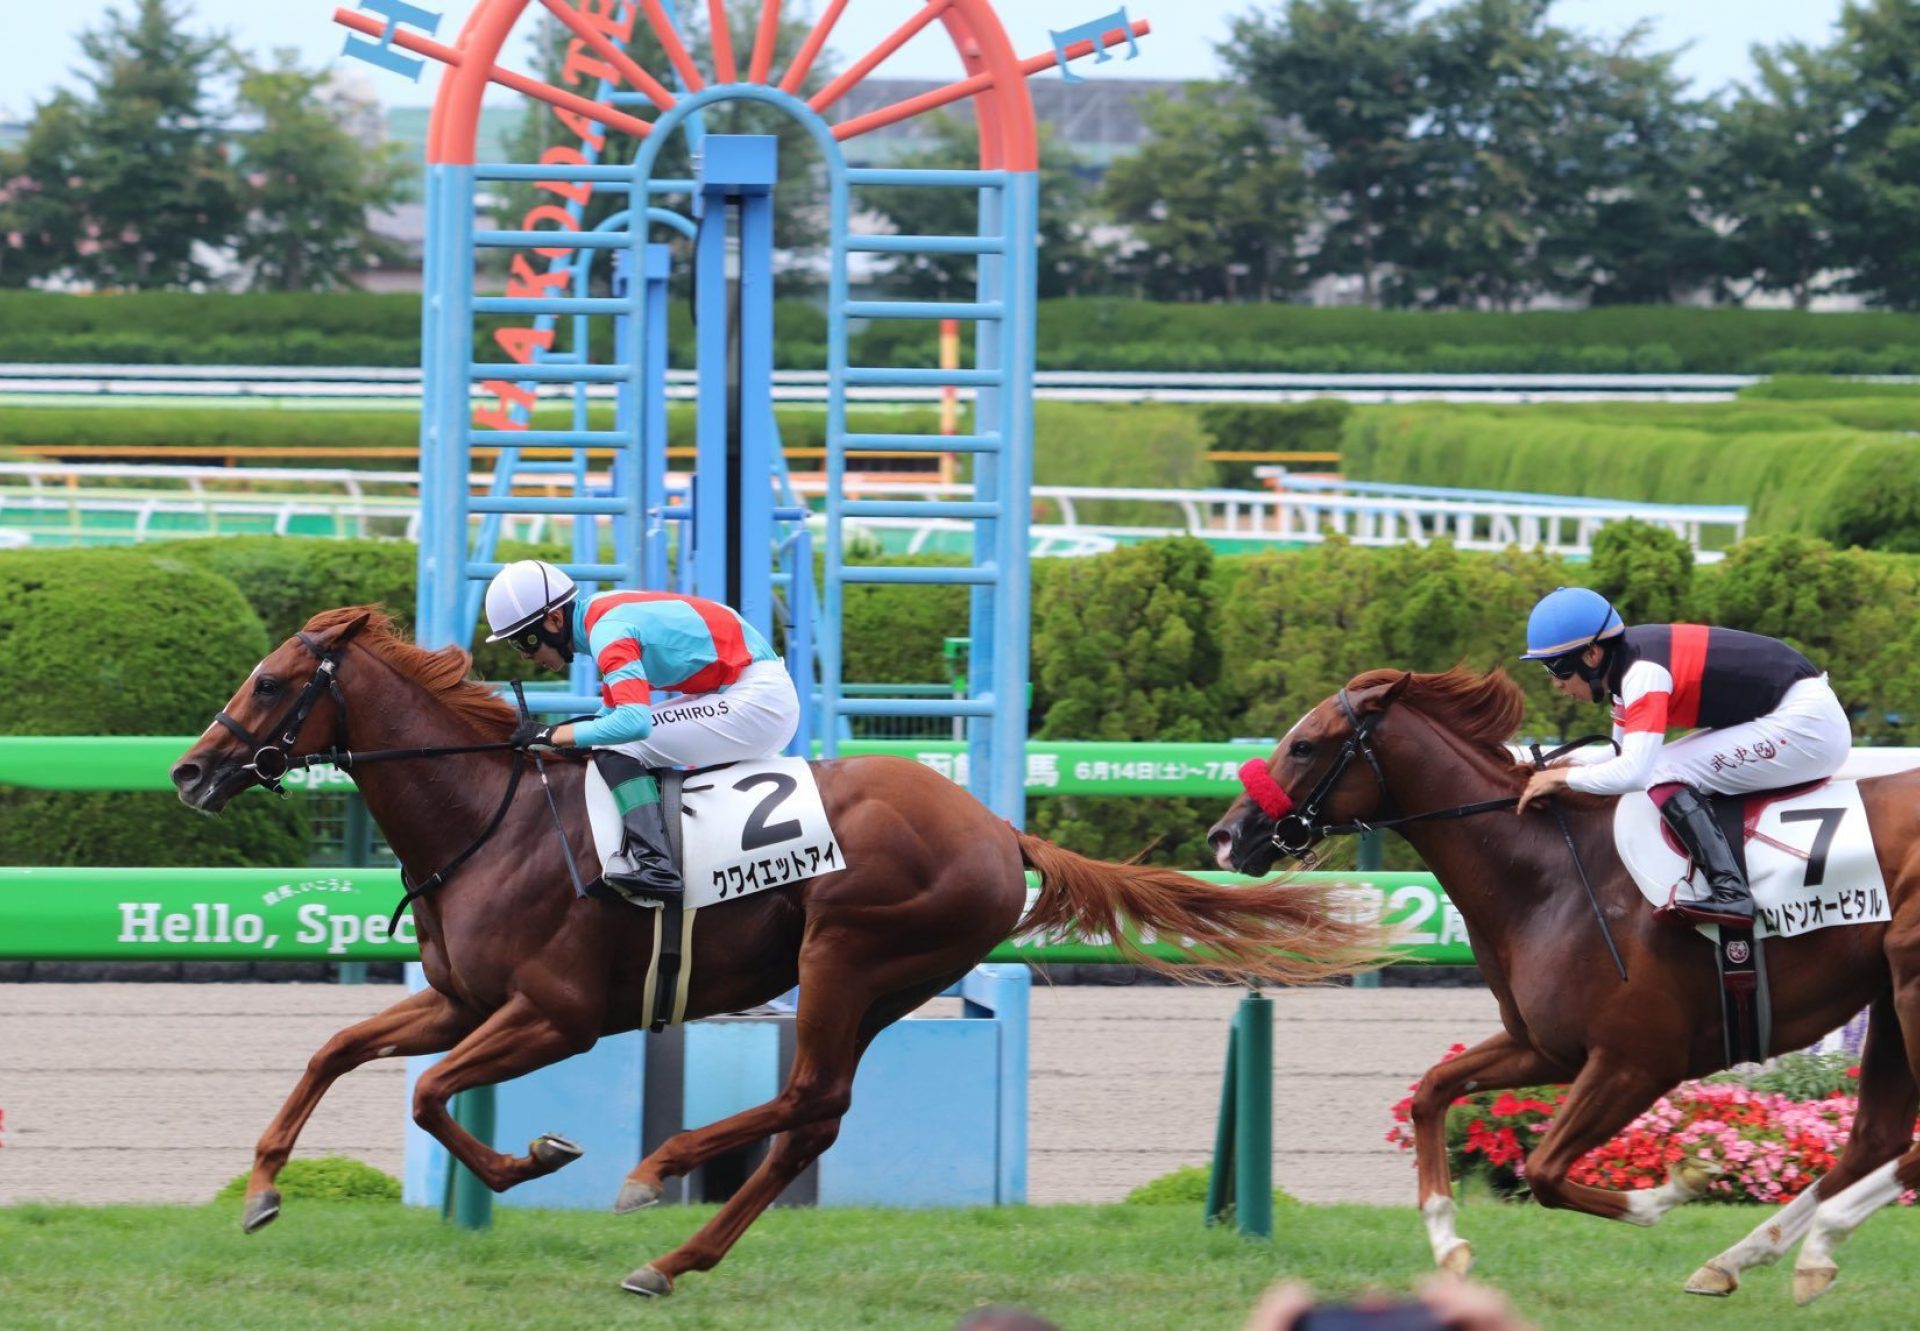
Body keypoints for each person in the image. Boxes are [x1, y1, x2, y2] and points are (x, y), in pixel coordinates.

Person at [1513, 586, 1851, 927]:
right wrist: (1552, 770)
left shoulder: (1643, 674)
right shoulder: (1623, 673)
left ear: (1591, 655)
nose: (1556, 685)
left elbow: (1634, 773)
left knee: (1662, 771)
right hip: (1787, 713)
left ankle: (1731, 894)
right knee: (1664, 766)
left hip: (1808, 727)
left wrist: (1560, 778)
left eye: (1556, 670)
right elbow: (1616, 755)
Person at [483, 559, 800, 900]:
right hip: (747, 690)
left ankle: (658, 865)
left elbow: (633, 724)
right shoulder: (599, 619)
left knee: (618, 748)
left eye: (524, 641)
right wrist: (555, 736)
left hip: (756, 700)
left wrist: (552, 736)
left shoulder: (608, 633)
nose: (525, 656)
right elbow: (607, 717)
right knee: (603, 742)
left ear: (554, 619)